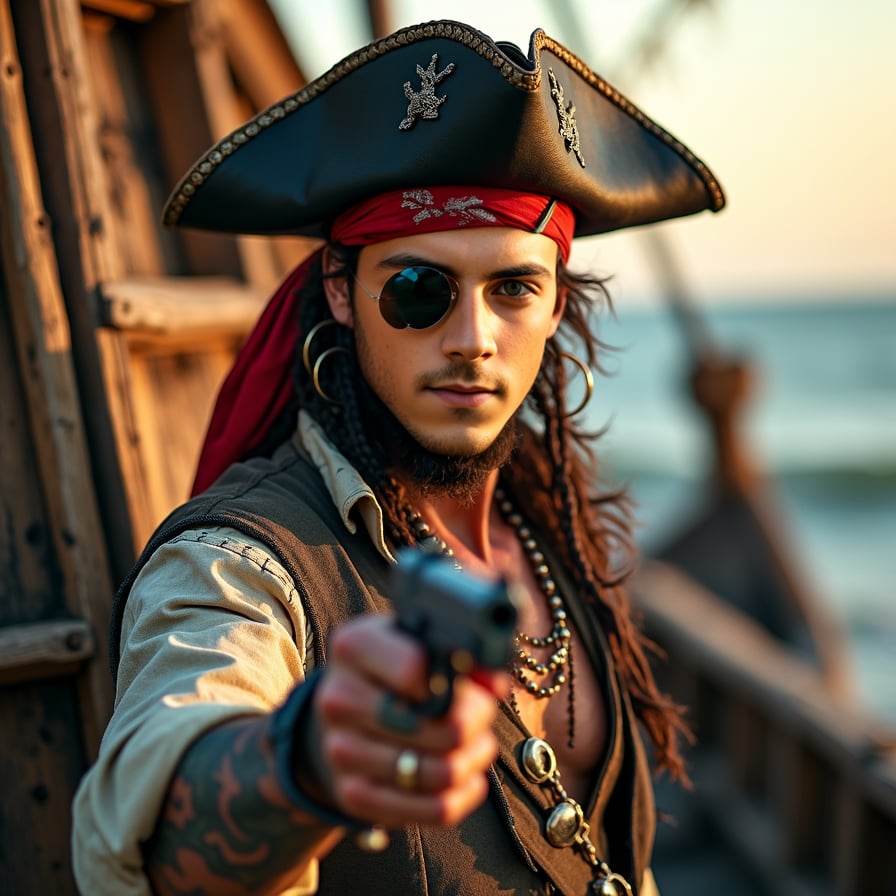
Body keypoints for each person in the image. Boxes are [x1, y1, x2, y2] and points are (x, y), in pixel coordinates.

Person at [72, 19, 724, 896]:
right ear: (341, 293)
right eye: (420, 289)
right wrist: (304, 764)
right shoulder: (240, 564)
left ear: (557, 306)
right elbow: (162, 831)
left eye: (513, 288)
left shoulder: (549, 526)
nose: (472, 339)